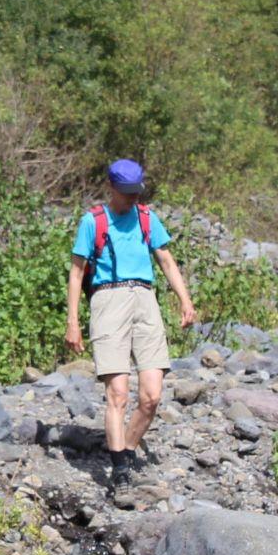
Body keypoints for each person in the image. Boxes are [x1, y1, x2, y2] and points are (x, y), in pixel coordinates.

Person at [65, 158, 196, 486]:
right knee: (118, 393)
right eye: (126, 192)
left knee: (151, 395)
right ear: (111, 187)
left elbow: (166, 261)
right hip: (108, 300)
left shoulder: (147, 218)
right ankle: (120, 469)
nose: (132, 198)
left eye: (135, 191)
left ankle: (126, 448)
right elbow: (77, 272)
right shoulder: (93, 222)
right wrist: (73, 321)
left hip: (145, 300)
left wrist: (185, 300)